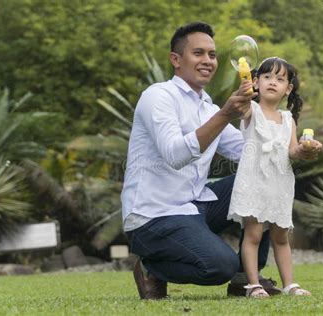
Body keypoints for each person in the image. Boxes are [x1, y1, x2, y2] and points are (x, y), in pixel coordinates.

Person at [121, 22, 284, 300]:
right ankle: (151, 269)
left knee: (263, 177)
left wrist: (289, 144)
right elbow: (174, 155)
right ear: (176, 59)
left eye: (212, 54)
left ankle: (246, 278)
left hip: (195, 205)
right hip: (153, 217)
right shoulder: (158, 97)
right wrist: (224, 114)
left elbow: (250, 151)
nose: (208, 60)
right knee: (219, 267)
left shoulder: (206, 106)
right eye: (198, 53)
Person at [227, 57, 322, 298]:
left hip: (279, 183)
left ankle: (289, 284)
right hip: (254, 181)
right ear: (257, 82)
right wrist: (244, 88)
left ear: (288, 89)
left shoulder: (288, 119)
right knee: (253, 234)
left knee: (281, 236)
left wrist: (304, 149)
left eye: (280, 79)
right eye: (267, 77)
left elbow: (291, 151)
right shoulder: (251, 111)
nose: (273, 82)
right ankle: (253, 285)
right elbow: (241, 104)